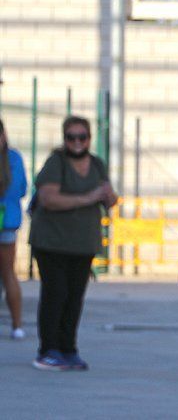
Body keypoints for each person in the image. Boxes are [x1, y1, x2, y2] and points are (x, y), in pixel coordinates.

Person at [29, 115, 117, 370]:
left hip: (83, 243)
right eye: (71, 137)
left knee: (74, 297)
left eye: (82, 137)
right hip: (52, 242)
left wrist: (109, 197)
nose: (77, 142)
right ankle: (48, 349)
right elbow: (49, 199)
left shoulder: (97, 164)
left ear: (89, 138)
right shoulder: (56, 163)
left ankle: (69, 348)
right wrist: (88, 197)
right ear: (64, 138)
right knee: (55, 294)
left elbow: (107, 198)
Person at [0, 118, 28, 340]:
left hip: (7, 222)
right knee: (9, 274)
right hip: (7, 223)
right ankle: (17, 325)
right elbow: (21, 190)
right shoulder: (15, 158)